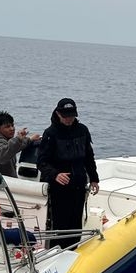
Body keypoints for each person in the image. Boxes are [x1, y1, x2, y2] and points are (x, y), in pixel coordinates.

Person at [37, 98, 100, 248]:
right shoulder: (50, 133)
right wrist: (55, 174)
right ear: (58, 114)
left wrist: (94, 178)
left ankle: (74, 249)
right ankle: (56, 251)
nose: (68, 119)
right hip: (59, 186)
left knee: (76, 220)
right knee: (60, 223)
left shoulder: (82, 130)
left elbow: (89, 157)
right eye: (65, 116)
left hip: (78, 183)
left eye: (71, 116)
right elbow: (41, 162)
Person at [0, 111, 41, 178]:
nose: (12, 129)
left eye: (12, 125)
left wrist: (29, 139)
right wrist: (18, 139)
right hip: (2, 186)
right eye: (7, 127)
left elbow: (13, 148)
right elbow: (1, 156)